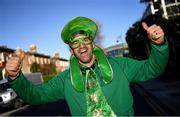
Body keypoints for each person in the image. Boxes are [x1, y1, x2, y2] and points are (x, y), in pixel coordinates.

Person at [5, 16, 169, 116]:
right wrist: (15, 77)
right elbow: (35, 96)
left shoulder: (121, 65)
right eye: (76, 44)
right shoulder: (64, 79)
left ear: (92, 43)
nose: (82, 46)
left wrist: (159, 45)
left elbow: (152, 68)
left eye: (85, 41)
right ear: (71, 50)